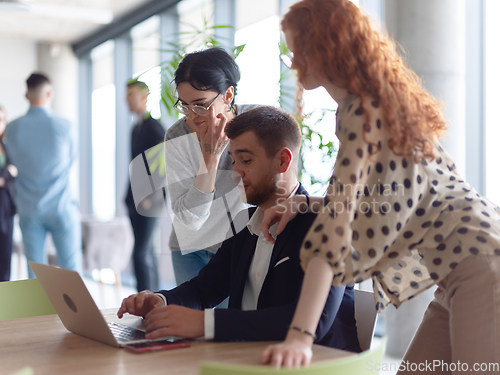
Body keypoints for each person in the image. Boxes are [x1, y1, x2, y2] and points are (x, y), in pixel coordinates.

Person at [261, 0, 500, 371]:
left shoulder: (365, 111)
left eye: (298, 52)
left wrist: (299, 336)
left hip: (480, 262)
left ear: (327, 46)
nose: (293, 64)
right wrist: (305, 204)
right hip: (456, 268)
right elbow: (371, 199)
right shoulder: (368, 107)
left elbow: (335, 233)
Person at [118, 106, 361, 351]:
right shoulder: (245, 224)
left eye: (246, 160)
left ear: (283, 160)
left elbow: (311, 322)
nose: (235, 172)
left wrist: (207, 323)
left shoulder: (324, 225)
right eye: (233, 161)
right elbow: (205, 289)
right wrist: (160, 300)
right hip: (248, 360)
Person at [163, 47, 257, 287]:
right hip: (190, 249)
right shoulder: (177, 135)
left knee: (229, 324)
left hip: (238, 249)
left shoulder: (258, 124)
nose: (192, 115)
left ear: (228, 95)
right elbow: (190, 220)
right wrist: (210, 157)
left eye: (201, 104)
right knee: (190, 323)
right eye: (184, 105)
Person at [6, 73, 81, 279]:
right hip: (62, 207)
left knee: (36, 275)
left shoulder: (12, 128)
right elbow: (71, 159)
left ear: (26, 95)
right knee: (71, 272)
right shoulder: (66, 127)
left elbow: (11, 161)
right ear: (49, 93)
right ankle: (77, 313)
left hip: (29, 209)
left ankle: (40, 312)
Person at [124, 79, 165, 292]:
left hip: (149, 200)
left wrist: (149, 195)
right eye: (126, 95)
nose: (127, 100)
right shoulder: (135, 128)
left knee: (139, 254)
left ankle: (144, 301)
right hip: (135, 200)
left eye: (131, 95)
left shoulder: (153, 127)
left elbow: (164, 164)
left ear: (144, 97)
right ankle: (155, 299)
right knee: (146, 252)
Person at [0, 106, 17, 282]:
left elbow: (15, 171)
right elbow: (10, 172)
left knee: (5, 259)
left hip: (6, 208)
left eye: (2, 119)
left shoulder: (7, 146)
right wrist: (8, 175)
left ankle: (4, 306)